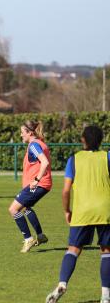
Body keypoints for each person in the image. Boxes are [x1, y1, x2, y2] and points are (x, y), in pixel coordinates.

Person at [46, 125, 110, 303]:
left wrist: (67, 211)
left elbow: (65, 191)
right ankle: (105, 296)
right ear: (100, 140)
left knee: (73, 249)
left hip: (82, 210)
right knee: (106, 251)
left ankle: (62, 283)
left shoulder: (73, 160)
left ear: (83, 140)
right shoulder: (108, 157)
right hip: (105, 209)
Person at [8, 120, 51, 253]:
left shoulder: (33, 145)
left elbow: (44, 162)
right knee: (26, 208)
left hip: (39, 183)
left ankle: (28, 239)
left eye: (22, 133)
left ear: (30, 133)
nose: (21, 135)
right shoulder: (40, 143)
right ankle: (40, 236)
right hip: (43, 184)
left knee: (13, 209)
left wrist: (36, 179)